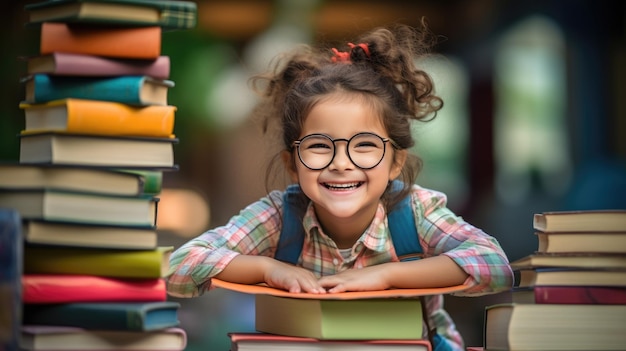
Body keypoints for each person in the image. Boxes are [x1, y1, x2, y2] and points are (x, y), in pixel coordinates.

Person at [167, 23, 513, 351]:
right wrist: (268, 269)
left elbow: (495, 266)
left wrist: (387, 277)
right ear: (292, 164)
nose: (341, 163)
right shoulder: (280, 216)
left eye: (364, 145)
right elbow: (182, 265)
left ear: (395, 162)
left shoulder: (415, 212)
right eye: (319, 146)